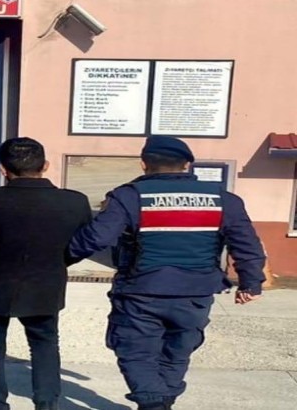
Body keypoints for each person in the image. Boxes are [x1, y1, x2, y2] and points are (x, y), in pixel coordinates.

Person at [68, 135, 266, 410]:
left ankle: (154, 404)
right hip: (195, 294)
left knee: (136, 353)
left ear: (143, 164)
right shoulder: (223, 199)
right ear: (187, 165)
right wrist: (251, 283)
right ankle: (162, 401)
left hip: (140, 293)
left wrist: (60, 260)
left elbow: (95, 238)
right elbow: (247, 244)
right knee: (177, 353)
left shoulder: (129, 196)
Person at [0, 137, 93, 410]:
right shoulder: (74, 202)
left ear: (2, 169)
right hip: (45, 283)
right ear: (45, 165)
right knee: (45, 345)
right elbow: (82, 244)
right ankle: (47, 404)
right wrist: (60, 261)